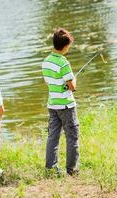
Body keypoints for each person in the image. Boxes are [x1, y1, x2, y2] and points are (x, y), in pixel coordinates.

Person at [42, 28, 79, 176]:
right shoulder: (63, 62)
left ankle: (51, 169)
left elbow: (51, 83)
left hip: (52, 104)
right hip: (66, 105)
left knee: (53, 136)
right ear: (65, 46)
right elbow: (72, 86)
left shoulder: (46, 61)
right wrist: (74, 80)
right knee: (72, 136)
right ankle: (72, 170)